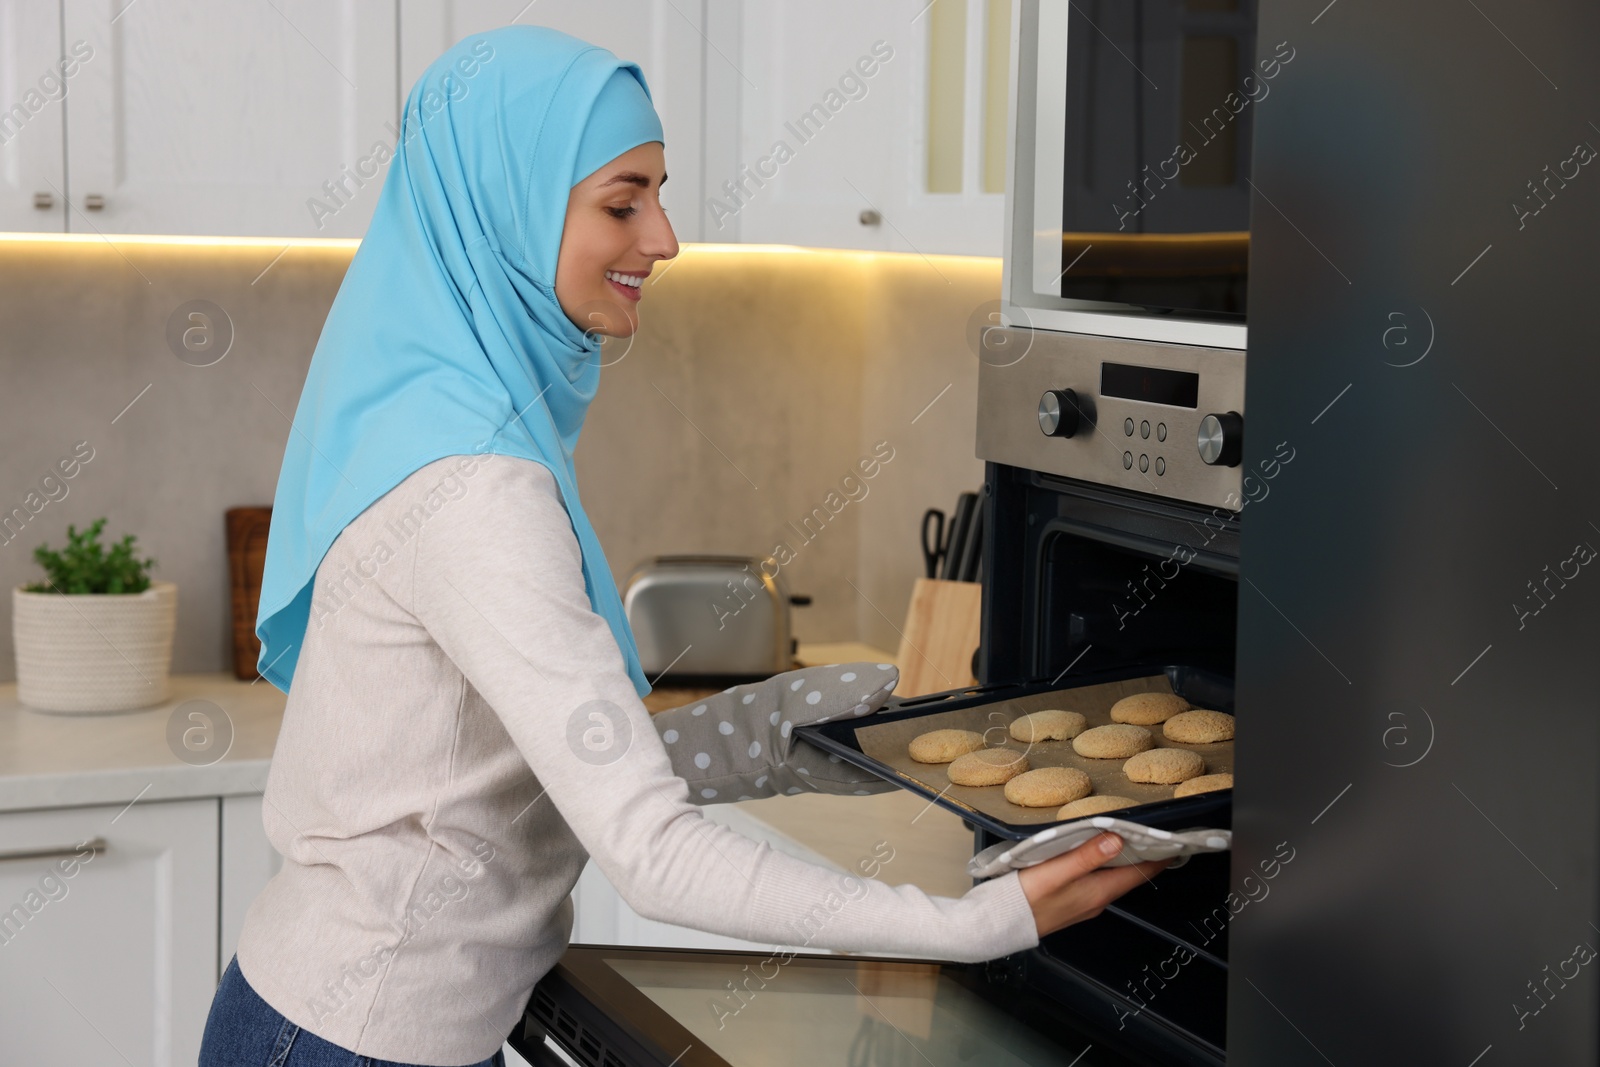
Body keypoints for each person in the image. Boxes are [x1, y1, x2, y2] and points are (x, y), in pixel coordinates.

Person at [198, 26, 1169, 1067]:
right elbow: (650, 855)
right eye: (622, 201)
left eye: (659, 193)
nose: (662, 237)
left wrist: (765, 738)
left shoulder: (434, 413)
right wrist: (979, 922)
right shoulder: (474, 486)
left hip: (335, 1018)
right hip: (356, 1037)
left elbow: (524, 765)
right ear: (510, 209)